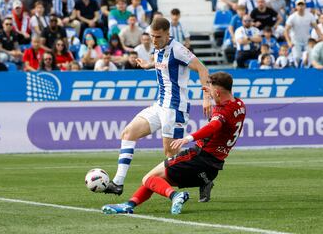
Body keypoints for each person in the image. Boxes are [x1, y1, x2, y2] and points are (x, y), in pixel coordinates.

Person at [102, 72, 246, 215]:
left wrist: (188, 138)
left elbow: (213, 126)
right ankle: (129, 205)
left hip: (198, 158)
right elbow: (223, 107)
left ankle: (175, 196)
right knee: (156, 179)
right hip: (212, 169)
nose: (208, 93)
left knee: (148, 178)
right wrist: (211, 93)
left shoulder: (221, 112)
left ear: (218, 91)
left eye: (210, 89)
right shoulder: (240, 105)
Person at [104, 17, 212, 202]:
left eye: (158, 37)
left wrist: (206, 98)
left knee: (171, 156)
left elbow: (202, 69)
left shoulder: (178, 49)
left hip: (175, 107)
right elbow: (161, 62)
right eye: (152, 36)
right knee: (128, 133)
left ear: (167, 34)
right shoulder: (158, 47)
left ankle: (203, 179)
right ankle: (118, 183)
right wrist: (148, 64)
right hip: (160, 104)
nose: (154, 40)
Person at [284, 0, 322, 64]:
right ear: (296, 7)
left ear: (305, 6)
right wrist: (289, 42)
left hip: (307, 40)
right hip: (295, 41)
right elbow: (286, 31)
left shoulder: (310, 15)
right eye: (299, 5)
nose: (301, 7)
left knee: (311, 57)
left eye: (302, 5)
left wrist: (321, 37)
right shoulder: (292, 17)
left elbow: (316, 28)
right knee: (297, 58)